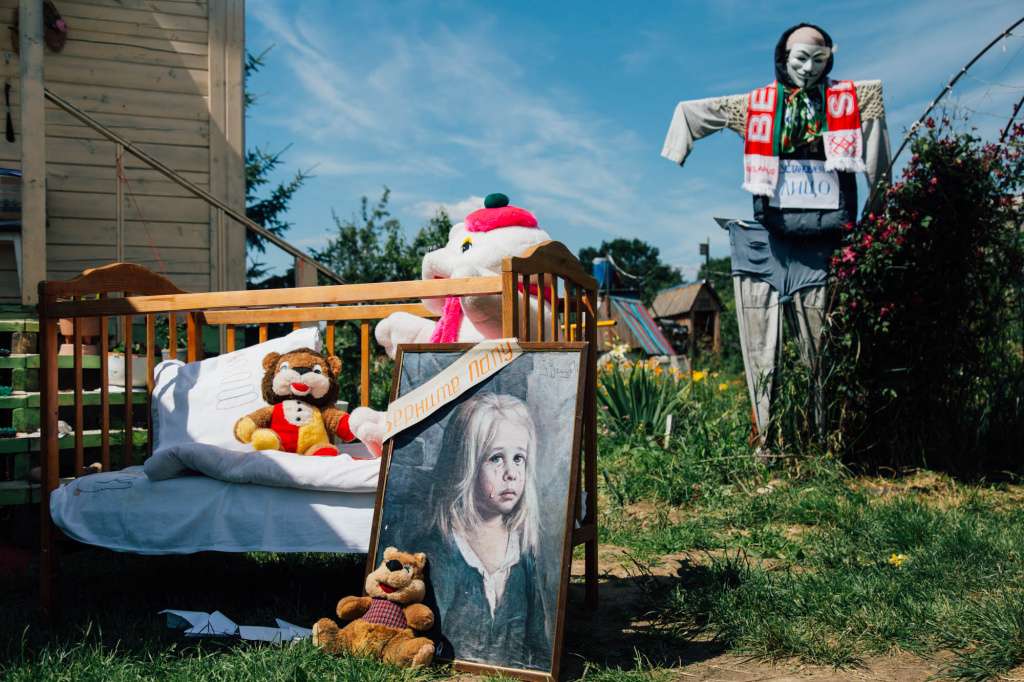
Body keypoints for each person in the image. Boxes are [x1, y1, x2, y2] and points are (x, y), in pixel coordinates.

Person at [661, 23, 891, 446]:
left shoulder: (851, 99)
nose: (808, 68)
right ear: (783, 57)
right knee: (761, 355)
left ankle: (822, 440)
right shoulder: (758, 105)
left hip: (824, 239)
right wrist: (679, 146)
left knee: (821, 352)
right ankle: (768, 440)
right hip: (771, 236)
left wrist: (876, 210)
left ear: (830, 59)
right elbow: (694, 112)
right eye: (800, 58)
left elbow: (877, 143)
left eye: (819, 59)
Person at [419, 392, 551, 670]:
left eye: (519, 458)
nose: (511, 473)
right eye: (496, 458)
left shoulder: (522, 552)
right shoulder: (440, 552)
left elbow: (538, 643)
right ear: (465, 465)